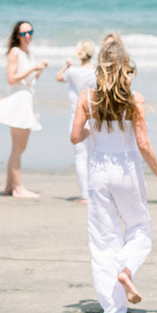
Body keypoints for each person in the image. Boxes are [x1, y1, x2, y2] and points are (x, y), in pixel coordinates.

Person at [71, 38, 157, 313]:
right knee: (140, 228)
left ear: (100, 68)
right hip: (127, 171)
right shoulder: (134, 99)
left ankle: (114, 308)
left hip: (99, 172)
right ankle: (126, 270)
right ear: (124, 67)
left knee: (103, 237)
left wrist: (92, 132)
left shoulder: (87, 98)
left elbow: (75, 136)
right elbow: (143, 144)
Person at [0, 21, 48, 199]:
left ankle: (9, 186)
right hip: (18, 101)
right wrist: (32, 69)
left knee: (20, 147)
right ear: (17, 36)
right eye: (23, 33)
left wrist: (38, 70)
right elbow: (11, 79)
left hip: (28, 99)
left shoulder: (29, 52)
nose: (27, 36)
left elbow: (30, 79)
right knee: (18, 147)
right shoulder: (15, 52)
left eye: (30, 32)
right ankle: (17, 187)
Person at [56, 40, 96, 202]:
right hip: (94, 116)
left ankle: (85, 194)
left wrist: (66, 65)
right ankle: (95, 191)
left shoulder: (72, 71)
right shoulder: (96, 72)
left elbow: (58, 77)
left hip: (76, 116)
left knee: (80, 156)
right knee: (94, 155)